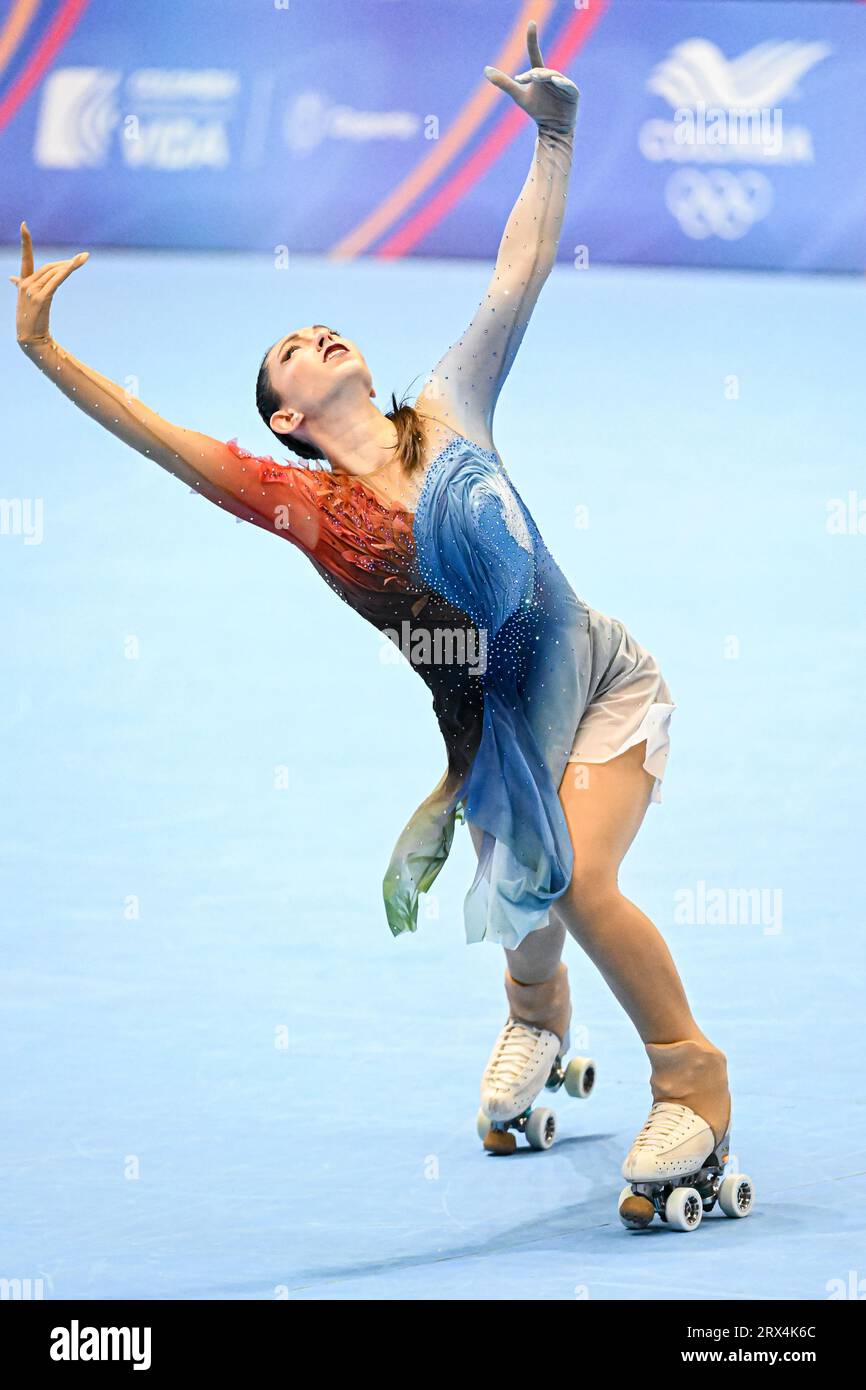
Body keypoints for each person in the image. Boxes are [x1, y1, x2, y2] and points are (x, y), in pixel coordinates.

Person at [12, 20, 731, 1211]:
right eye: (292, 350)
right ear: (287, 416)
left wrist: (553, 135)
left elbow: (516, 271)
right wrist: (43, 350)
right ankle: (536, 1021)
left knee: (576, 886)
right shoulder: (298, 506)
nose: (318, 336)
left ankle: (692, 1083)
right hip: (493, 734)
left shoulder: (451, 407)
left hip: (599, 687)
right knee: (519, 895)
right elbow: (163, 441)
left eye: (324, 328)